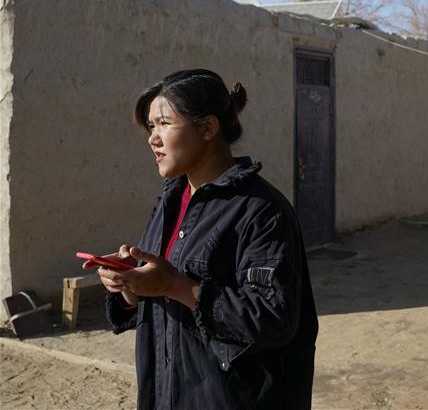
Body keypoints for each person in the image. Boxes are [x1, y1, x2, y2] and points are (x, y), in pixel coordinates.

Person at [83, 69, 318, 409]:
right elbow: (164, 300)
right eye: (151, 127)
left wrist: (176, 285)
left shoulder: (262, 210)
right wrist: (131, 285)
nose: (153, 138)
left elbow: (273, 319)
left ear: (208, 128)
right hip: (167, 394)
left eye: (164, 123)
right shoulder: (171, 200)